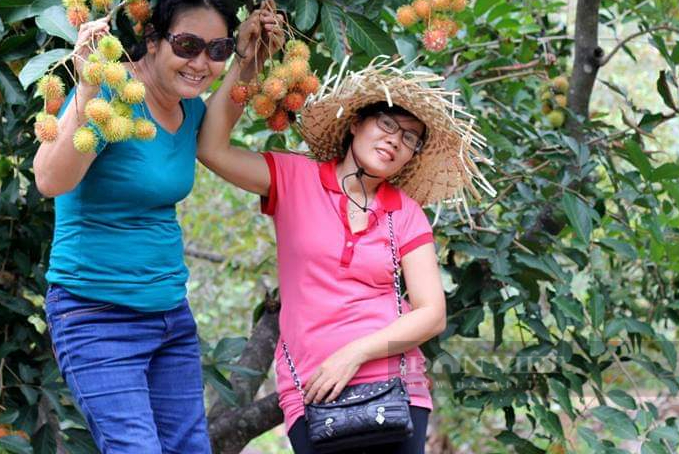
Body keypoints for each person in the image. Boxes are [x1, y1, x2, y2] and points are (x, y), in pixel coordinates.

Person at [33, 0, 280, 454]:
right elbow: (49, 180)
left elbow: (216, 138)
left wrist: (249, 58)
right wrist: (86, 87)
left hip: (169, 314)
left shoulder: (188, 109)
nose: (200, 62)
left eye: (217, 49)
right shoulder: (110, 90)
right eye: (186, 45)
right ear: (152, 39)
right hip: (96, 315)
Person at [198, 59, 491, 453]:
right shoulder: (293, 177)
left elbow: (431, 313)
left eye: (409, 138)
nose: (395, 140)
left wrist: (354, 354)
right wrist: (249, 62)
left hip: (395, 388)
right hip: (313, 388)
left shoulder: (406, 213)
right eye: (387, 124)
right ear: (356, 123)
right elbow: (211, 149)